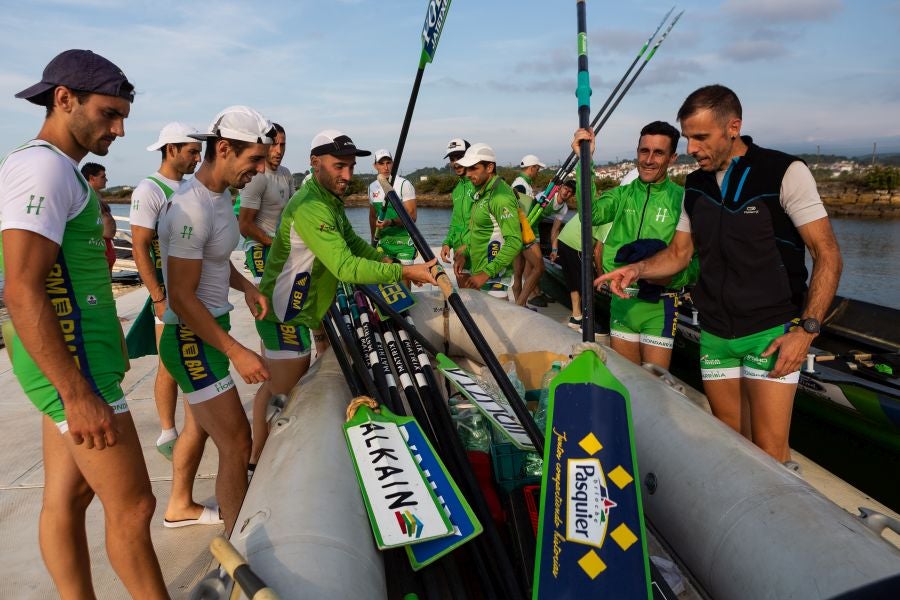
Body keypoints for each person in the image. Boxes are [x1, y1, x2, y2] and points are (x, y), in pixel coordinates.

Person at [597, 85, 842, 462]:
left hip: (768, 331)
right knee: (730, 444)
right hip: (714, 333)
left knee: (769, 450)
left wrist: (806, 331)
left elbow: (827, 254)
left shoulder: (783, 172)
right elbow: (679, 254)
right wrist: (637, 268)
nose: (691, 148)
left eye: (701, 137)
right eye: (688, 137)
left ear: (733, 127)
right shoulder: (695, 186)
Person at [0, 49, 168, 599]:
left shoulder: (58, 169)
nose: (119, 129)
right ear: (64, 99)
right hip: (76, 368)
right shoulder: (43, 168)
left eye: (123, 116)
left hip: (80, 360)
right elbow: (21, 287)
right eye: (108, 114)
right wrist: (75, 392)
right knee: (134, 505)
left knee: (68, 499)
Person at [249, 130, 437, 465]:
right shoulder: (310, 207)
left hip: (303, 311)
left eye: (351, 166)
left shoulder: (327, 200)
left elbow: (354, 243)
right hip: (284, 315)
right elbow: (346, 267)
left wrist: (385, 260)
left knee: (279, 390)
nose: (348, 175)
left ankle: (255, 457)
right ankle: (260, 462)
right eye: (339, 166)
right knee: (285, 399)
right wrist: (406, 272)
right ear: (315, 162)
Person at [157, 105, 273, 535]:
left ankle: (182, 506)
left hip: (209, 331)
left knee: (206, 432)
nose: (259, 170)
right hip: (191, 338)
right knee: (237, 442)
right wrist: (237, 352)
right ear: (223, 149)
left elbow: (216, 262)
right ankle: (236, 543)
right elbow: (182, 297)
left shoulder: (222, 196)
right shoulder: (190, 208)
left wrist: (248, 287)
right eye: (254, 160)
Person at [129, 122, 219, 528]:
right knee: (170, 364)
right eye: (191, 150)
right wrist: (158, 296)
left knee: (186, 364)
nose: (197, 157)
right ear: (170, 150)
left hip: (194, 295)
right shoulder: (149, 190)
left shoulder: (188, 189)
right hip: (169, 296)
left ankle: (190, 428)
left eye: (199, 151)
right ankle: (168, 431)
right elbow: (139, 246)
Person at [572, 121, 696, 370]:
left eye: (658, 153)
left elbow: (696, 263)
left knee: (654, 384)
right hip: (622, 300)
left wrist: (672, 277)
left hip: (660, 304)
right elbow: (590, 215)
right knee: (628, 380)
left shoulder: (683, 200)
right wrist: (585, 160)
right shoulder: (622, 194)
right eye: (644, 151)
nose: (649, 160)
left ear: (672, 158)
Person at [454, 143, 522, 297]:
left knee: (496, 313)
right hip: (480, 272)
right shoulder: (483, 192)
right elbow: (480, 231)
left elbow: (514, 241)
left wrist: (485, 273)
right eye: (467, 169)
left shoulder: (500, 197)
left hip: (493, 277)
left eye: (473, 168)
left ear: (490, 167)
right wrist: (465, 253)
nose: (468, 174)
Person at [548, 179, 610, 330]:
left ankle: (576, 317)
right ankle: (587, 323)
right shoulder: (609, 218)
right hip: (576, 245)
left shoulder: (594, 205)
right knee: (588, 283)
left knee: (574, 282)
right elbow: (598, 251)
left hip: (563, 240)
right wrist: (601, 275)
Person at [238, 122, 294, 284]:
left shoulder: (286, 173)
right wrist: (273, 243)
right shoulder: (257, 177)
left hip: (279, 244)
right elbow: (244, 226)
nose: (279, 151)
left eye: (282, 145)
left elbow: (294, 213)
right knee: (264, 295)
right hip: (258, 245)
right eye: (274, 144)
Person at [511, 154, 548, 307]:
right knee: (539, 267)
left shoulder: (521, 182)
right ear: (532, 168)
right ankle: (521, 304)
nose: (538, 173)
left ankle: (520, 306)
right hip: (523, 233)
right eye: (537, 169)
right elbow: (516, 208)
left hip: (516, 232)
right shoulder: (521, 185)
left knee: (518, 272)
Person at [368, 148, 417, 265]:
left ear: (393, 163)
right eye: (381, 163)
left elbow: (412, 217)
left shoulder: (404, 184)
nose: (386, 167)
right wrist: (373, 242)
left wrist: (390, 222)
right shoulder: (372, 187)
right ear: (375, 166)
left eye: (388, 163)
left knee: (404, 276)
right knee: (386, 277)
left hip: (404, 242)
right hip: (383, 243)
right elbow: (372, 217)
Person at [439, 138, 474, 275]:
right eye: (452, 159)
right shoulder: (457, 190)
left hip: (479, 254)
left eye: (460, 157)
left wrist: (466, 249)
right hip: (460, 254)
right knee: (464, 290)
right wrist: (447, 243)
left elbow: (487, 226)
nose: (456, 163)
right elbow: (455, 222)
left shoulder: (480, 186)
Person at [80, 162, 117, 272]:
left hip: (106, 245)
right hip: (96, 247)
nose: (106, 180)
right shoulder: (84, 197)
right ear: (92, 178)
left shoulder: (97, 195)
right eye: (103, 176)